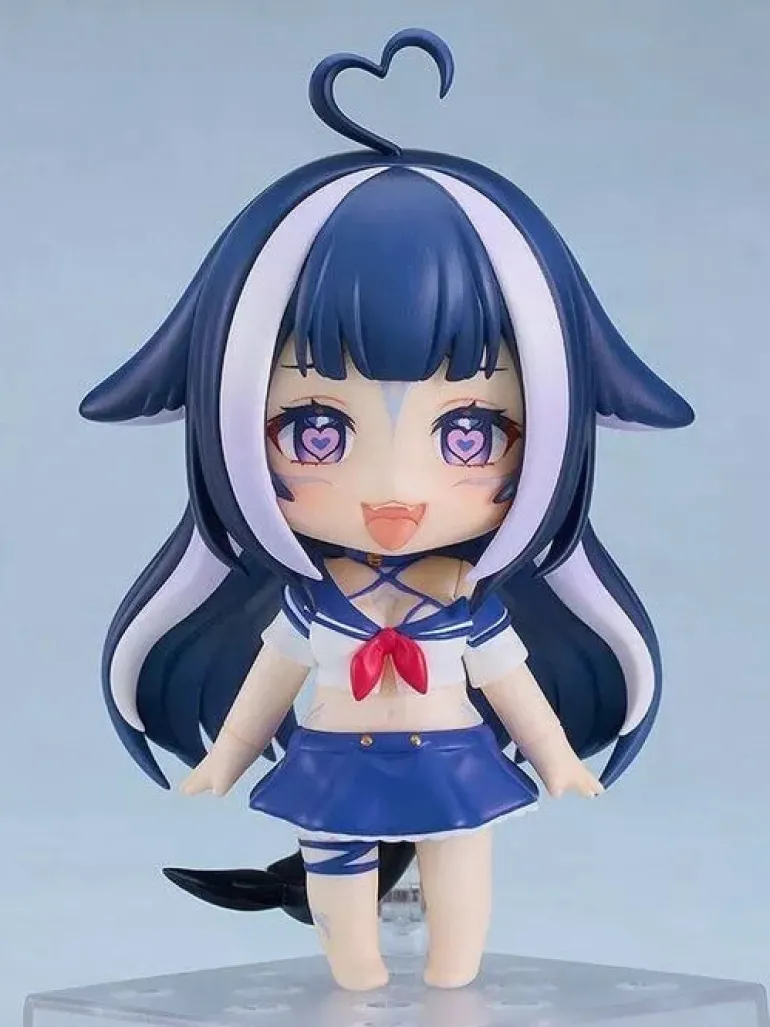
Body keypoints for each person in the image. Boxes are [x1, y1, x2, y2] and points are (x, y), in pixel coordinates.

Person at [80, 28, 694, 992]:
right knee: (338, 881)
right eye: (317, 429)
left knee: (460, 865)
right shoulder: (312, 605)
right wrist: (226, 758)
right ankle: (357, 974)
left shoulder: (467, 605)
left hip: (453, 757)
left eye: (471, 433)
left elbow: (514, 688)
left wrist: (556, 758)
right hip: (330, 761)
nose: (396, 490)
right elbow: (268, 686)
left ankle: (453, 978)